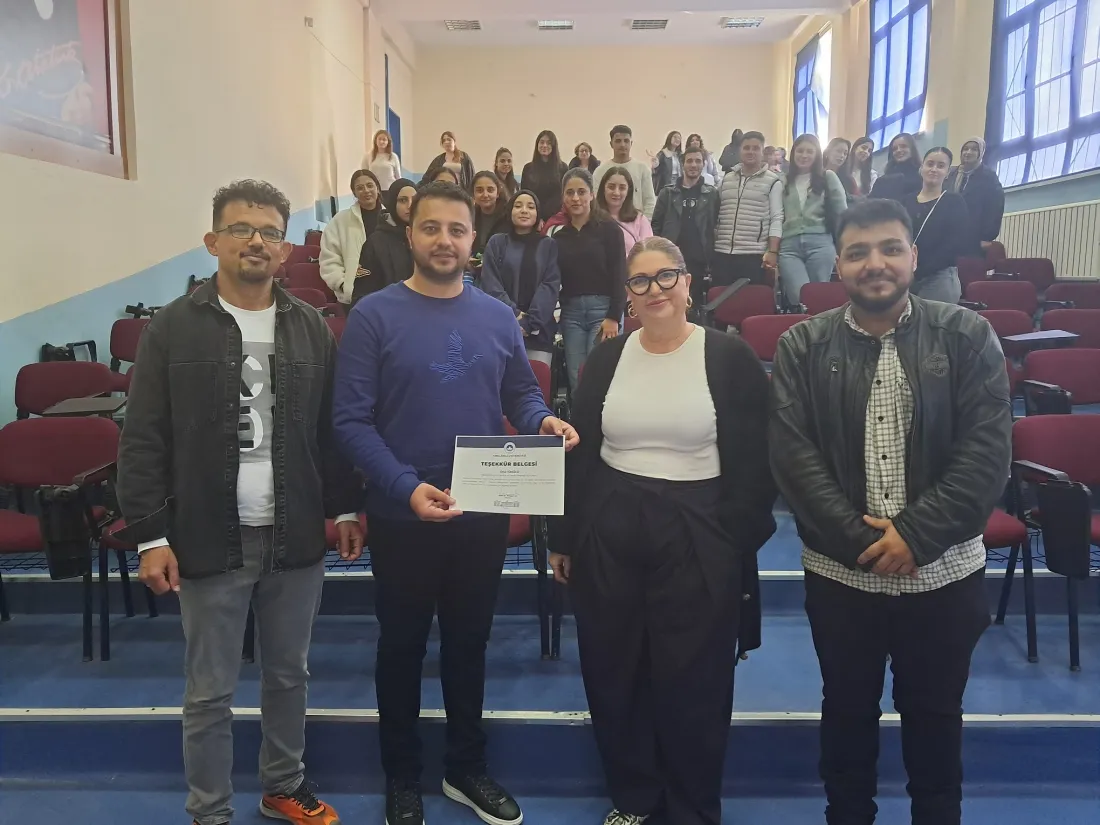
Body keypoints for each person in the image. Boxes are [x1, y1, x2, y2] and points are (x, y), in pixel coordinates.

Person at [332, 181, 579, 825]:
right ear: (410, 233)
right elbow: (350, 421)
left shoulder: (496, 316)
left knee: (470, 643)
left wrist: (543, 420)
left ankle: (466, 768)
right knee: (402, 648)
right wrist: (404, 487)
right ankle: (402, 776)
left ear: (474, 241)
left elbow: (520, 393)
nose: (444, 240)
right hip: (401, 512)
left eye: (457, 230)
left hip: (481, 508)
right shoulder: (373, 315)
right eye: (432, 227)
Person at [117, 179, 362, 825]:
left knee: (289, 675)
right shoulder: (172, 327)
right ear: (212, 241)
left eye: (270, 231)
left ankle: (283, 784)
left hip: (294, 532)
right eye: (241, 229)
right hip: (208, 533)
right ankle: (210, 811)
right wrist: (150, 535)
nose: (257, 240)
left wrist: (342, 509)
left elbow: (331, 432)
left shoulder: (310, 328)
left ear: (285, 248)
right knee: (209, 692)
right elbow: (142, 437)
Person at [769, 196, 1011, 825]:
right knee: (846, 717)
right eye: (857, 252)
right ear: (838, 266)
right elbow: (794, 458)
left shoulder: (967, 336)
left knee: (936, 722)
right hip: (842, 576)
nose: (874, 263)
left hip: (944, 576)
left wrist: (915, 537)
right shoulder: (802, 346)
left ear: (914, 256)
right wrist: (866, 544)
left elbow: (986, 455)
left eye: (889, 248)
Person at [549, 236, 776, 825]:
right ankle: (635, 798)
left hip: (700, 529)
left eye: (665, 276)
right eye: (640, 280)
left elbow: (760, 461)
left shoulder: (728, 357)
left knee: (694, 678)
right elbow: (583, 451)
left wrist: (733, 540)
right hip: (610, 526)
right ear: (627, 293)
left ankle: (692, 808)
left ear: (687, 283)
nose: (654, 290)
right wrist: (566, 536)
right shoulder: (607, 359)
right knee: (613, 668)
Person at [550, 168, 628, 391]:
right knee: (576, 378)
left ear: (592, 195)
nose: (576, 198)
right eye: (570, 193)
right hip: (571, 314)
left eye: (581, 192)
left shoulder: (610, 229)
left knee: (601, 376)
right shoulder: (559, 237)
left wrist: (614, 316)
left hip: (603, 312)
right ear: (563, 197)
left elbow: (620, 274)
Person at [480, 190, 562, 365]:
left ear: (537, 214)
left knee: (537, 380)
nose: (524, 210)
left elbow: (550, 285)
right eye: (518, 206)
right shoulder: (497, 243)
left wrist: (530, 322)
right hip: (501, 329)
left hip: (538, 332)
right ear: (510, 211)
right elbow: (491, 284)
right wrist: (514, 314)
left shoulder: (548, 245)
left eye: (530, 207)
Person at [777, 134, 848, 308]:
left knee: (818, 298)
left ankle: (820, 326)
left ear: (817, 155)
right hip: (789, 246)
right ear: (793, 153)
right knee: (798, 297)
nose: (804, 155)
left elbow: (842, 212)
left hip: (820, 243)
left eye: (810, 151)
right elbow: (777, 214)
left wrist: (843, 245)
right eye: (800, 151)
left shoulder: (828, 176)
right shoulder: (783, 180)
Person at [901, 147, 974, 304]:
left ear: (947, 172)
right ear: (921, 168)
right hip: (906, 275)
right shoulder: (905, 201)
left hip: (939, 278)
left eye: (941, 166)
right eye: (930, 164)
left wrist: (919, 270)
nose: (934, 169)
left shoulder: (955, 202)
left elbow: (956, 244)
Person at [712, 131, 784, 287]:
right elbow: (716, 213)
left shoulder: (773, 182)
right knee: (720, 299)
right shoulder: (727, 179)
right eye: (746, 148)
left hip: (753, 254)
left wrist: (773, 251)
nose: (750, 152)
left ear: (762, 152)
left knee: (749, 300)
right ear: (740, 151)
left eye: (755, 148)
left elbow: (777, 218)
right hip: (722, 252)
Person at [652, 146, 719, 311]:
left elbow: (715, 225)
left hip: (699, 260)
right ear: (683, 164)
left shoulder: (711, 194)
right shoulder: (667, 193)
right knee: (670, 303)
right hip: (671, 257)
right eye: (689, 161)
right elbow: (656, 226)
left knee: (693, 306)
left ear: (703, 164)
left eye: (698, 161)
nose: (693, 165)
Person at [320, 169, 382, 305]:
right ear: (354, 193)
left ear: (377, 188)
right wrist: (343, 285)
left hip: (388, 293)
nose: (366, 191)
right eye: (360, 188)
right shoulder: (340, 221)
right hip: (356, 297)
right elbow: (329, 258)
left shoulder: (390, 218)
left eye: (370, 185)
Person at [355, 178, 416, 305]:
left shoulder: (426, 237)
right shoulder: (376, 243)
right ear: (392, 203)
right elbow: (364, 294)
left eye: (415, 200)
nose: (410, 205)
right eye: (403, 200)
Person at [945, 138, 1005, 254]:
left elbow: (995, 207)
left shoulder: (988, 176)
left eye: (974, 149)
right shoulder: (952, 174)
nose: (968, 152)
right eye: (965, 149)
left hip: (974, 236)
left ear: (981, 153)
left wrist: (987, 236)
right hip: (950, 235)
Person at [593, 125, 657, 219]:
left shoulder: (642, 169)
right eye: (618, 141)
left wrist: (645, 223)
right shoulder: (600, 171)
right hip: (606, 222)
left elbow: (650, 201)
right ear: (611, 144)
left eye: (626, 141)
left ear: (631, 143)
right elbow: (596, 202)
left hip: (636, 223)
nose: (622, 145)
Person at [598, 166, 654, 258]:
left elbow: (648, 254)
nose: (616, 192)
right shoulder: (592, 218)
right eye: (611, 187)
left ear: (628, 191)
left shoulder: (640, 220)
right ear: (603, 189)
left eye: (622, 188)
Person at [521, 130, 569, 222]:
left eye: (549, 143)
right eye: (542, 142)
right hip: (533, 216)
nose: (544, 145)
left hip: (556, 217)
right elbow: (525, 194)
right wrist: (538, 217)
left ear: (554, 146)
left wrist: (547, 218)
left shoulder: (563, 168)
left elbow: (561, 196)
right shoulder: (528, 168)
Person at [870, 133, 922, 202]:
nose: (898, 150)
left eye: (903, 146)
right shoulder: (883, 180)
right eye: (894, 149)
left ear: (912, 149)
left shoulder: (922, 174)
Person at [471, 171, 510, 259]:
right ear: (473, 194)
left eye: (490, 190)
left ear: (498, 193)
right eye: (479, 190)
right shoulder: (469, 215)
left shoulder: (509, 216)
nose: (485, 195)